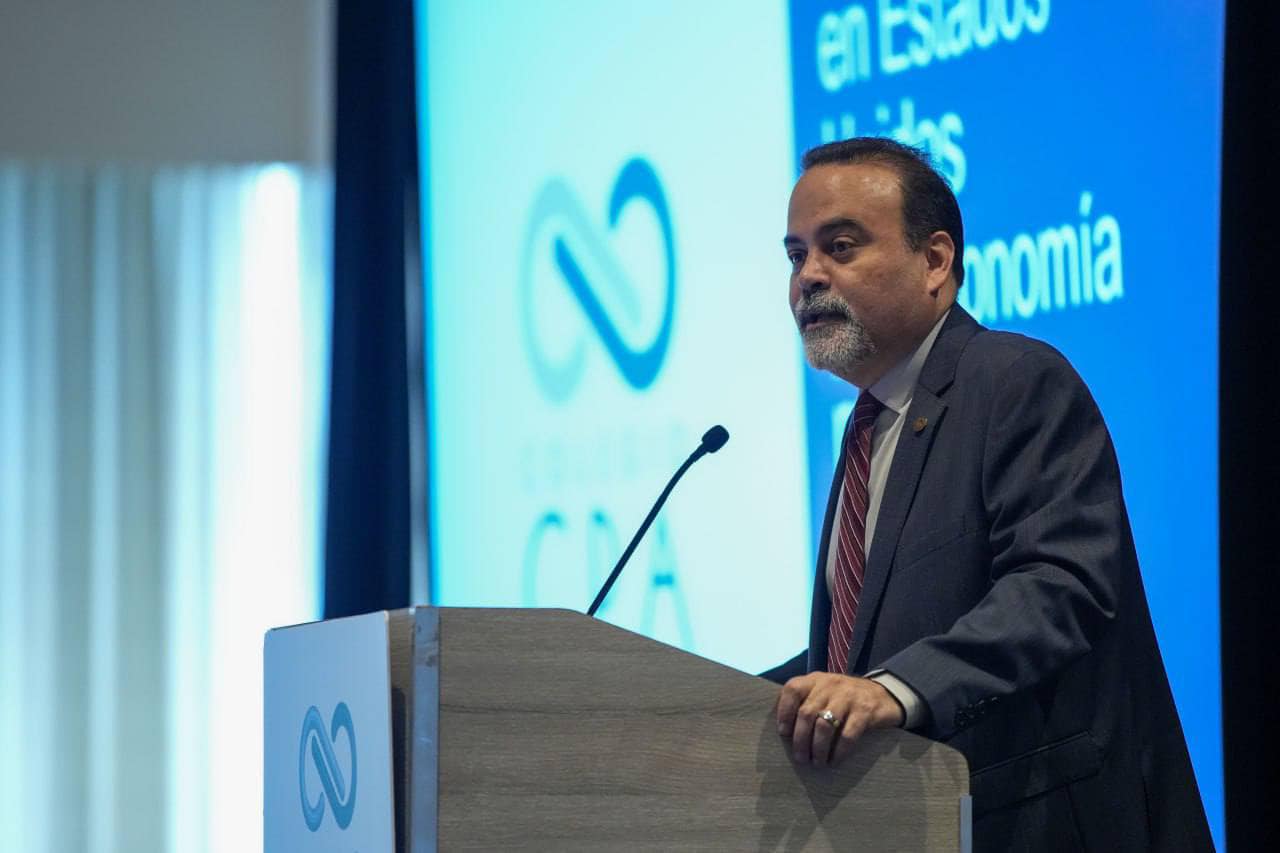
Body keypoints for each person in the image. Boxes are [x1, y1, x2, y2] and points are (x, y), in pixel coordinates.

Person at [764, 137, 1212, 851]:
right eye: (796, 256)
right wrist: (708, 703)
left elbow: (1061, 584)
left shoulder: (1015, 381)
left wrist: (892, 689)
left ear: (936, 261)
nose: (808, 276)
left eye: (839, 247)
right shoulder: (868, 428)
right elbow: (869, 647)